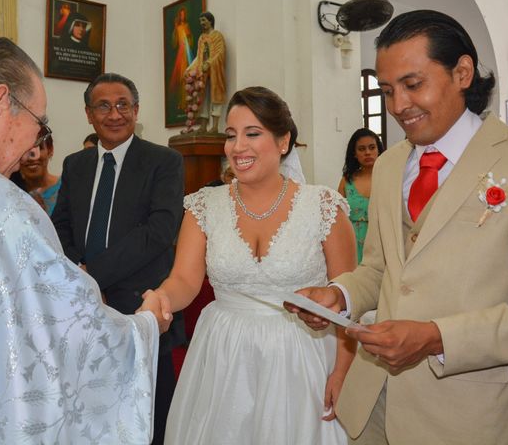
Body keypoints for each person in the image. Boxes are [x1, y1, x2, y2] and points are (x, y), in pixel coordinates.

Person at [288, 10, 508, 445]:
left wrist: (437, 337)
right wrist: (338, 294)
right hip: (375, 406)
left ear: (462, 72)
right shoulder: (388, 165)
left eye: (413, 85)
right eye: (386, 91)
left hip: (467, 418)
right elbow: (379, 270)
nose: (398, 106)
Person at [0, 35, 168, 444]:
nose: (32, 148)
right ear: (0, 104)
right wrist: (144, 327)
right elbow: (65, 332)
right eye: (40, 124)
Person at [145, 86, 357, 444]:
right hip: (224, 355)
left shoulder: (322, 207)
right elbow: (184, 279)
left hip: (301, 356)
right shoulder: (204, 205)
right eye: (231, 135)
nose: (237, 146)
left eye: (252, 133)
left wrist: (343, 371)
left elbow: (351, 298)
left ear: (283, 141)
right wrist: (161, 298)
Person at [52, 72, 185, 445]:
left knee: (150, 410)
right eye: (104, 106)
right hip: (82, 306)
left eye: (123, 105)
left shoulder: (164, 161)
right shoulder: (75, 164)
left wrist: (93, 276)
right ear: (88, 114)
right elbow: (60, 226)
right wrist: (80, 279)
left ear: (136, 110)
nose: (114, 114)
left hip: (141, 304)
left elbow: (159, 230)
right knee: (90, 404)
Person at [337, 128, 384, 263]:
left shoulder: (390, 177)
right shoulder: (347, 181)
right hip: (352, 244)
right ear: (355, 154)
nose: (367, 152)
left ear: (378, 150)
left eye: (372, 147)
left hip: (383, 242)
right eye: (362, 149)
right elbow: (338, 216)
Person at [185, 11, 226, 133]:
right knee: (202, 98)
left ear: (210, 21)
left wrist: (209, 63)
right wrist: (189, 68)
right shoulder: (202, 38)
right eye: (200, 21)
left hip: (215, 72)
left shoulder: (217, 36)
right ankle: (203, 126)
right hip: (202, 74)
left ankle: (215, 126)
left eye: (204, 20)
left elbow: (220, 53)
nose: (202, 23)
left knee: (215, 97)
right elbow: (199, 56)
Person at [19, 135, 61, 215]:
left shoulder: (66, 188)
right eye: (24, 150)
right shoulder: (10, 190)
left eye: (39, 148)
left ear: (50, 150)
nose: (32, 158)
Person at [169, 7, 194, 111]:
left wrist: (188, 38)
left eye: (184, 14)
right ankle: (181, 102)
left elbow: (191, 40)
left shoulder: (187, 26)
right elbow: (174, 43)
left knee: (186, 76)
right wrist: (175, 28)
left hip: (186, 53)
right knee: (180, 78)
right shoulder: (178, 27)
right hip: (180, 53)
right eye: (181, 14)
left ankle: (188, 102)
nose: (182, 16)